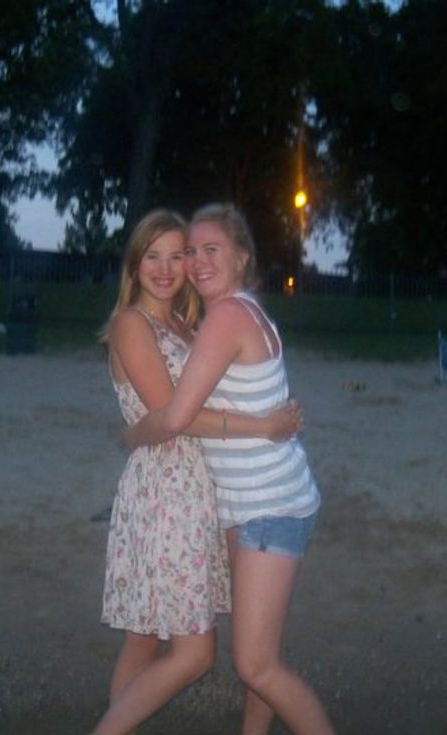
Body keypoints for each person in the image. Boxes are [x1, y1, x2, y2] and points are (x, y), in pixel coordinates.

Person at [124, 203, 335, 735]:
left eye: (211, 249)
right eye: (192, 251)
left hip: (269, 507)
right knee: (260, 653)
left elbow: (176, 416)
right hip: (257, 502)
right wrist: (265, 424)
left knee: (255, 665)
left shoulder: (226, 317)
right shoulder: (241, 312)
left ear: (241, 257)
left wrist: (131, 435)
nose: (197, 262)